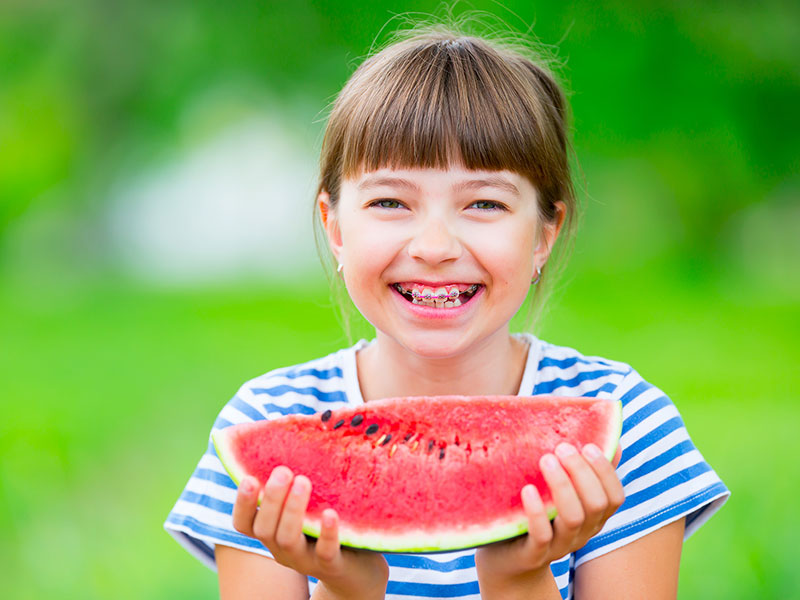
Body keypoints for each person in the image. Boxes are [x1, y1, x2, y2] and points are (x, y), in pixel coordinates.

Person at [164, 22, 729, 600]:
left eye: (484, 202)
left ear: (543, 233)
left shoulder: (627, 425)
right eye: (390, 202)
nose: (435, 247)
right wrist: (346, 590)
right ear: (335, 227)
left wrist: (519, 580)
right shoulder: (262, 424)